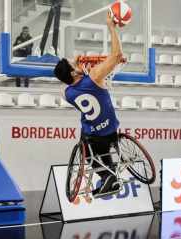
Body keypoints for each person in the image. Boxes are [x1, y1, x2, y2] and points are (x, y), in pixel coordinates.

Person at [54, 13, 123, 197]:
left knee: (88, 146)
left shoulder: (67, 93)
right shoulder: (93, 77)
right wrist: (111, 27)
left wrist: (74, 67)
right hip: (111, 128)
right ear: (74, 72)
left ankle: (107, 176)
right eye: (71, 63)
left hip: (95, 135)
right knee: (98, 145)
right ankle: (110, 178)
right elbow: (116, 55)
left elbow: (69, 81)